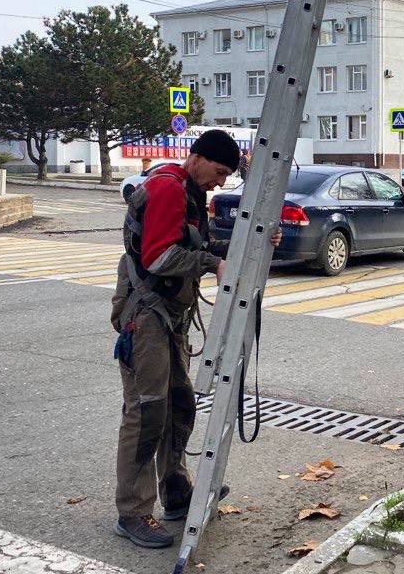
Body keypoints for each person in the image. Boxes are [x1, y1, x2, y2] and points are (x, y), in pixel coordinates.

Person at [110, 128, 279, 548]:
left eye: (226, 175)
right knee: (148, 411)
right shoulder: (168, 189)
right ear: (197, 157)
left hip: (168, 316)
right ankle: (132, 512)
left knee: (179, 404)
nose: (220, 182)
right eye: (219, 172)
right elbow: (160, 256)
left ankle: (175, 491)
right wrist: (211, 261)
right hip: (146, 318)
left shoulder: (187, 191)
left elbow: (196, 243)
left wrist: (256, 240)